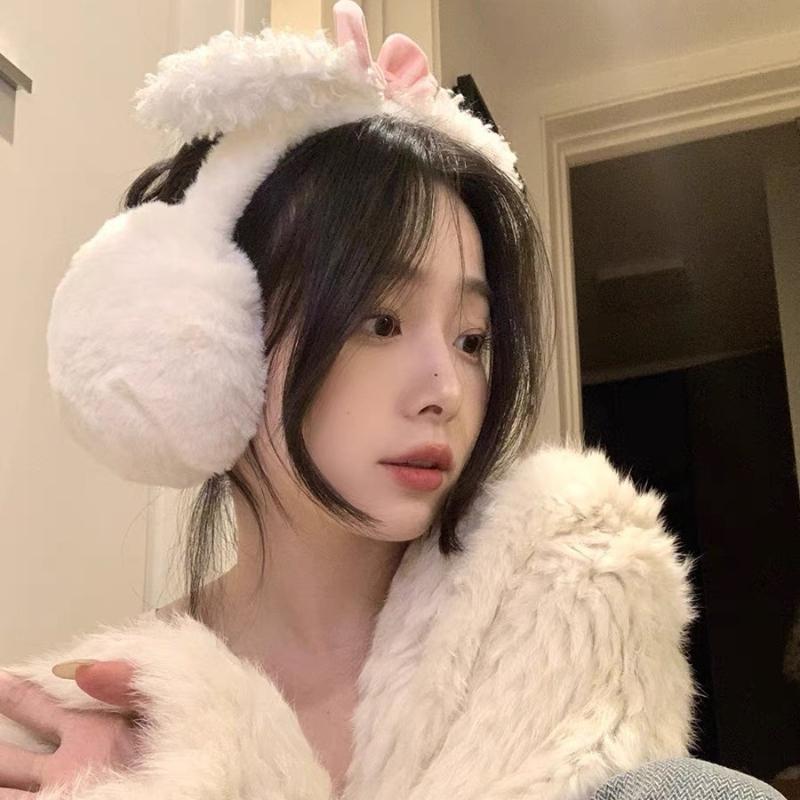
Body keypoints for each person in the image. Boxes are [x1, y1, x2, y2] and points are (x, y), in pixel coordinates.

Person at [1, 3, 782, 799]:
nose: (446, 389)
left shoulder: (572, 628)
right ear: (211, 345)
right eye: (380, 322)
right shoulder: (103, 727)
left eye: (471, 338)